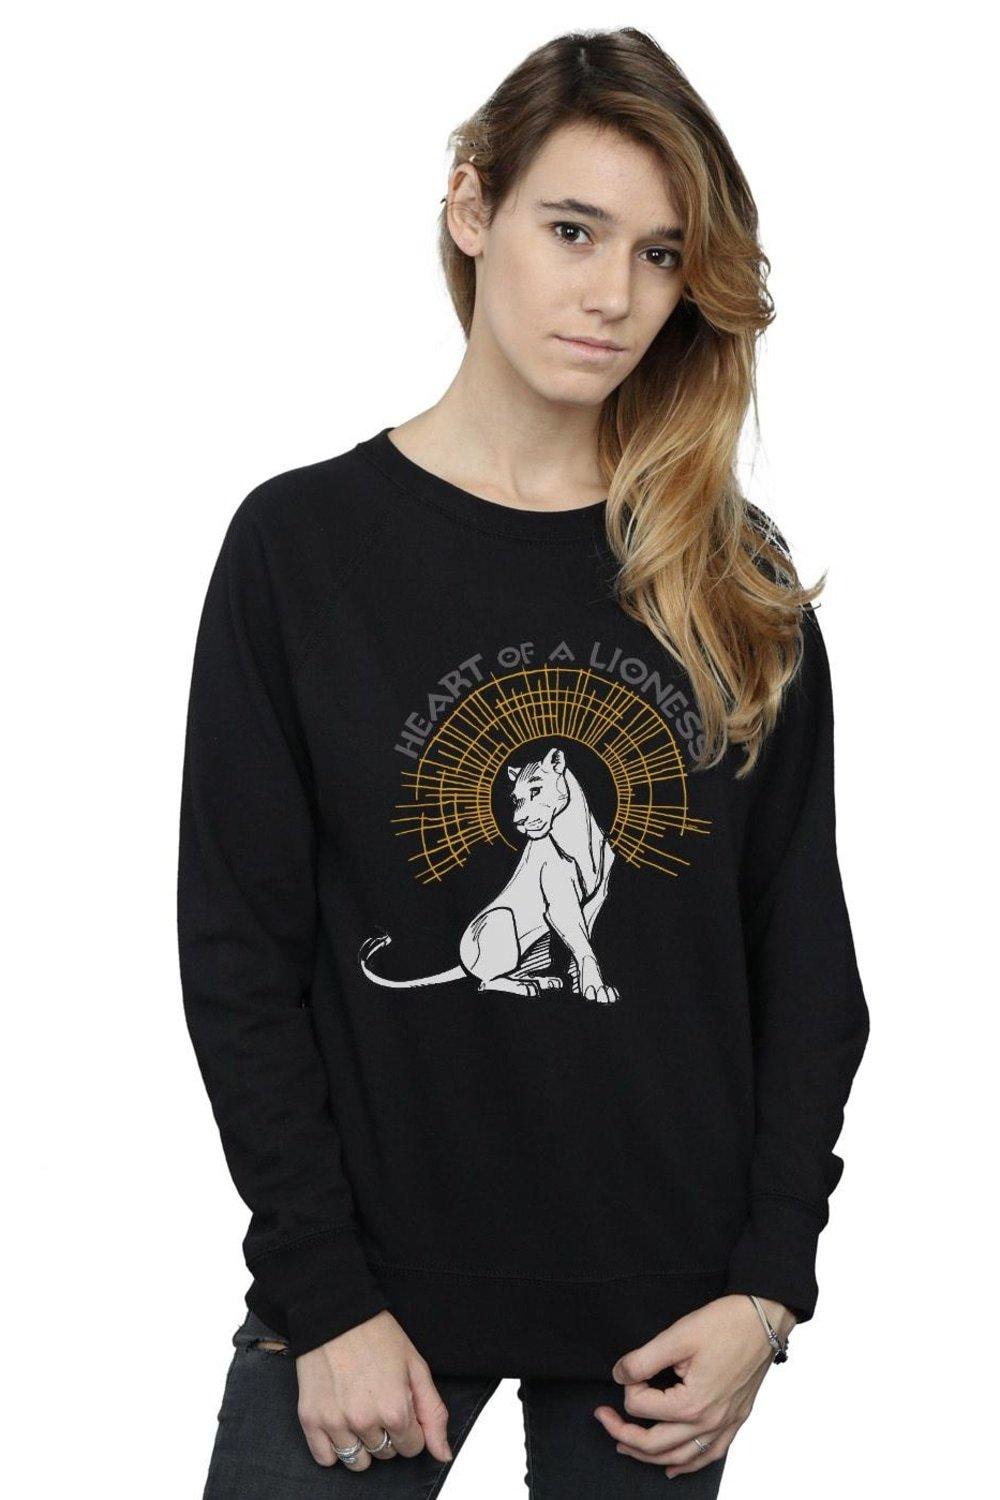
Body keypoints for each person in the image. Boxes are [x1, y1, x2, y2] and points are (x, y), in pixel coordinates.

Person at [177, 26, 870, 1498]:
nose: (614, 294)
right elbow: (238, 954)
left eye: (662, 255)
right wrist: (324, 1298)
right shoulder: (303, 549)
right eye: (572, 230)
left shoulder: (730, 572)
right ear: (471, 207)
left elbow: (805, 958)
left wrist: (768, 1291)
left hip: (666, 1314)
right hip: (368, 1298)